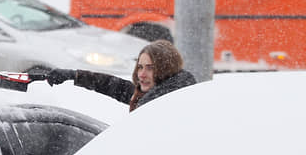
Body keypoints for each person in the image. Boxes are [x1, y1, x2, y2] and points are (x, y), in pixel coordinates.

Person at [46, 40, 197, 112]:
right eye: (140, 67)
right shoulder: (159, 94)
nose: (142, 74)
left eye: (150, 68)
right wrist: (75, 75)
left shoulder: (160, 106)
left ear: (165, 69)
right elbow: (116, 86)